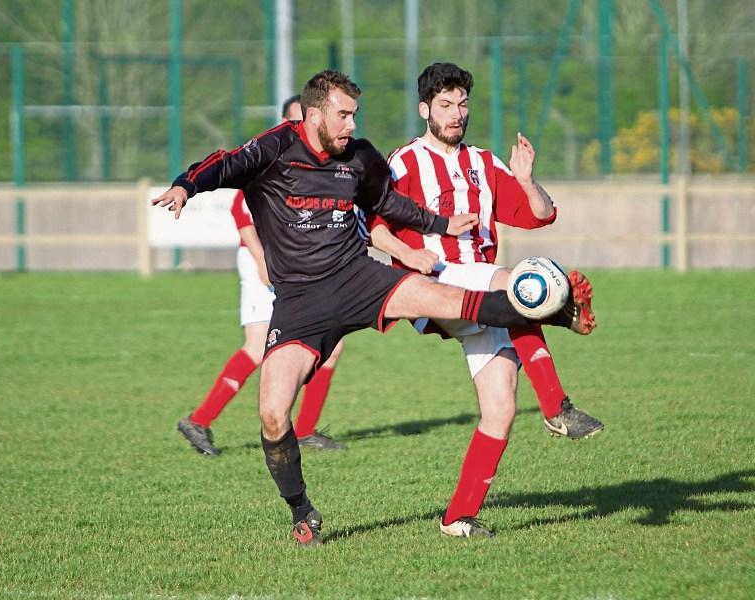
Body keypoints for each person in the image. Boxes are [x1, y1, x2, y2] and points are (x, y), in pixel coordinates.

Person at [151, 69, 592, 546]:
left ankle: (553, 318)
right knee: (274, 415)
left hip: (359, 278)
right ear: (314, 115)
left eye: (354, 115)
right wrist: (185, 185)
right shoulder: (275, 148)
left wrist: (441, 223)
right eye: (343, 115)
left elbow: (388, 203)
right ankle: (302, 512)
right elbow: (223, 164)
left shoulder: (362, 157)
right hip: (300, 301)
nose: (351, 125)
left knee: (472, 316)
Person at [367, 62, 602, 538]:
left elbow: (541, 215)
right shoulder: (404, 162)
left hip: (482, 287)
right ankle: (556, 403)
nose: (457, 114)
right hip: (436, 282)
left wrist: (526, 179)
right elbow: (373, 225)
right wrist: (408, 254)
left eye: (462, 104)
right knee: (513, 284)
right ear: (424, 110)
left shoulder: (484, 163)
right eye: (445, 105)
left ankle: (457, 517)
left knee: (501, 408)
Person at [177, 96, 346, 455]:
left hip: (294, 263)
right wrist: (261, 260)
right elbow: (242, 211)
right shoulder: (271, 153)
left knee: (331, 345)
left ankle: (305, 429)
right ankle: (200, 420)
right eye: (296, 120)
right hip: (262, 261)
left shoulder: (318, 162)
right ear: (285, 121)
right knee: (257, 347)